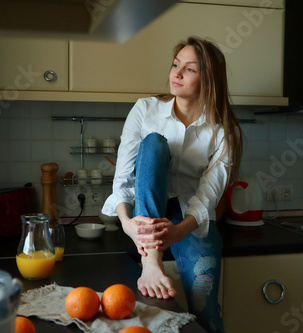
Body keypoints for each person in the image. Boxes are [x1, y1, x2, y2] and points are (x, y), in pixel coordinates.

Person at [101, 36, 243, 331]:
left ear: (210, 80)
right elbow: (124, 179)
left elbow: (208, 195)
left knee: (206, 307)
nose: (176, 74)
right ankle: (150, 263)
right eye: (175, 65)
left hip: (191, 217)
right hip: (144, 206)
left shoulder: (223, 131)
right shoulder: (145, 110)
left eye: (189, 69)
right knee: (153, 143)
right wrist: (128, 225)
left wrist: (177, 232)